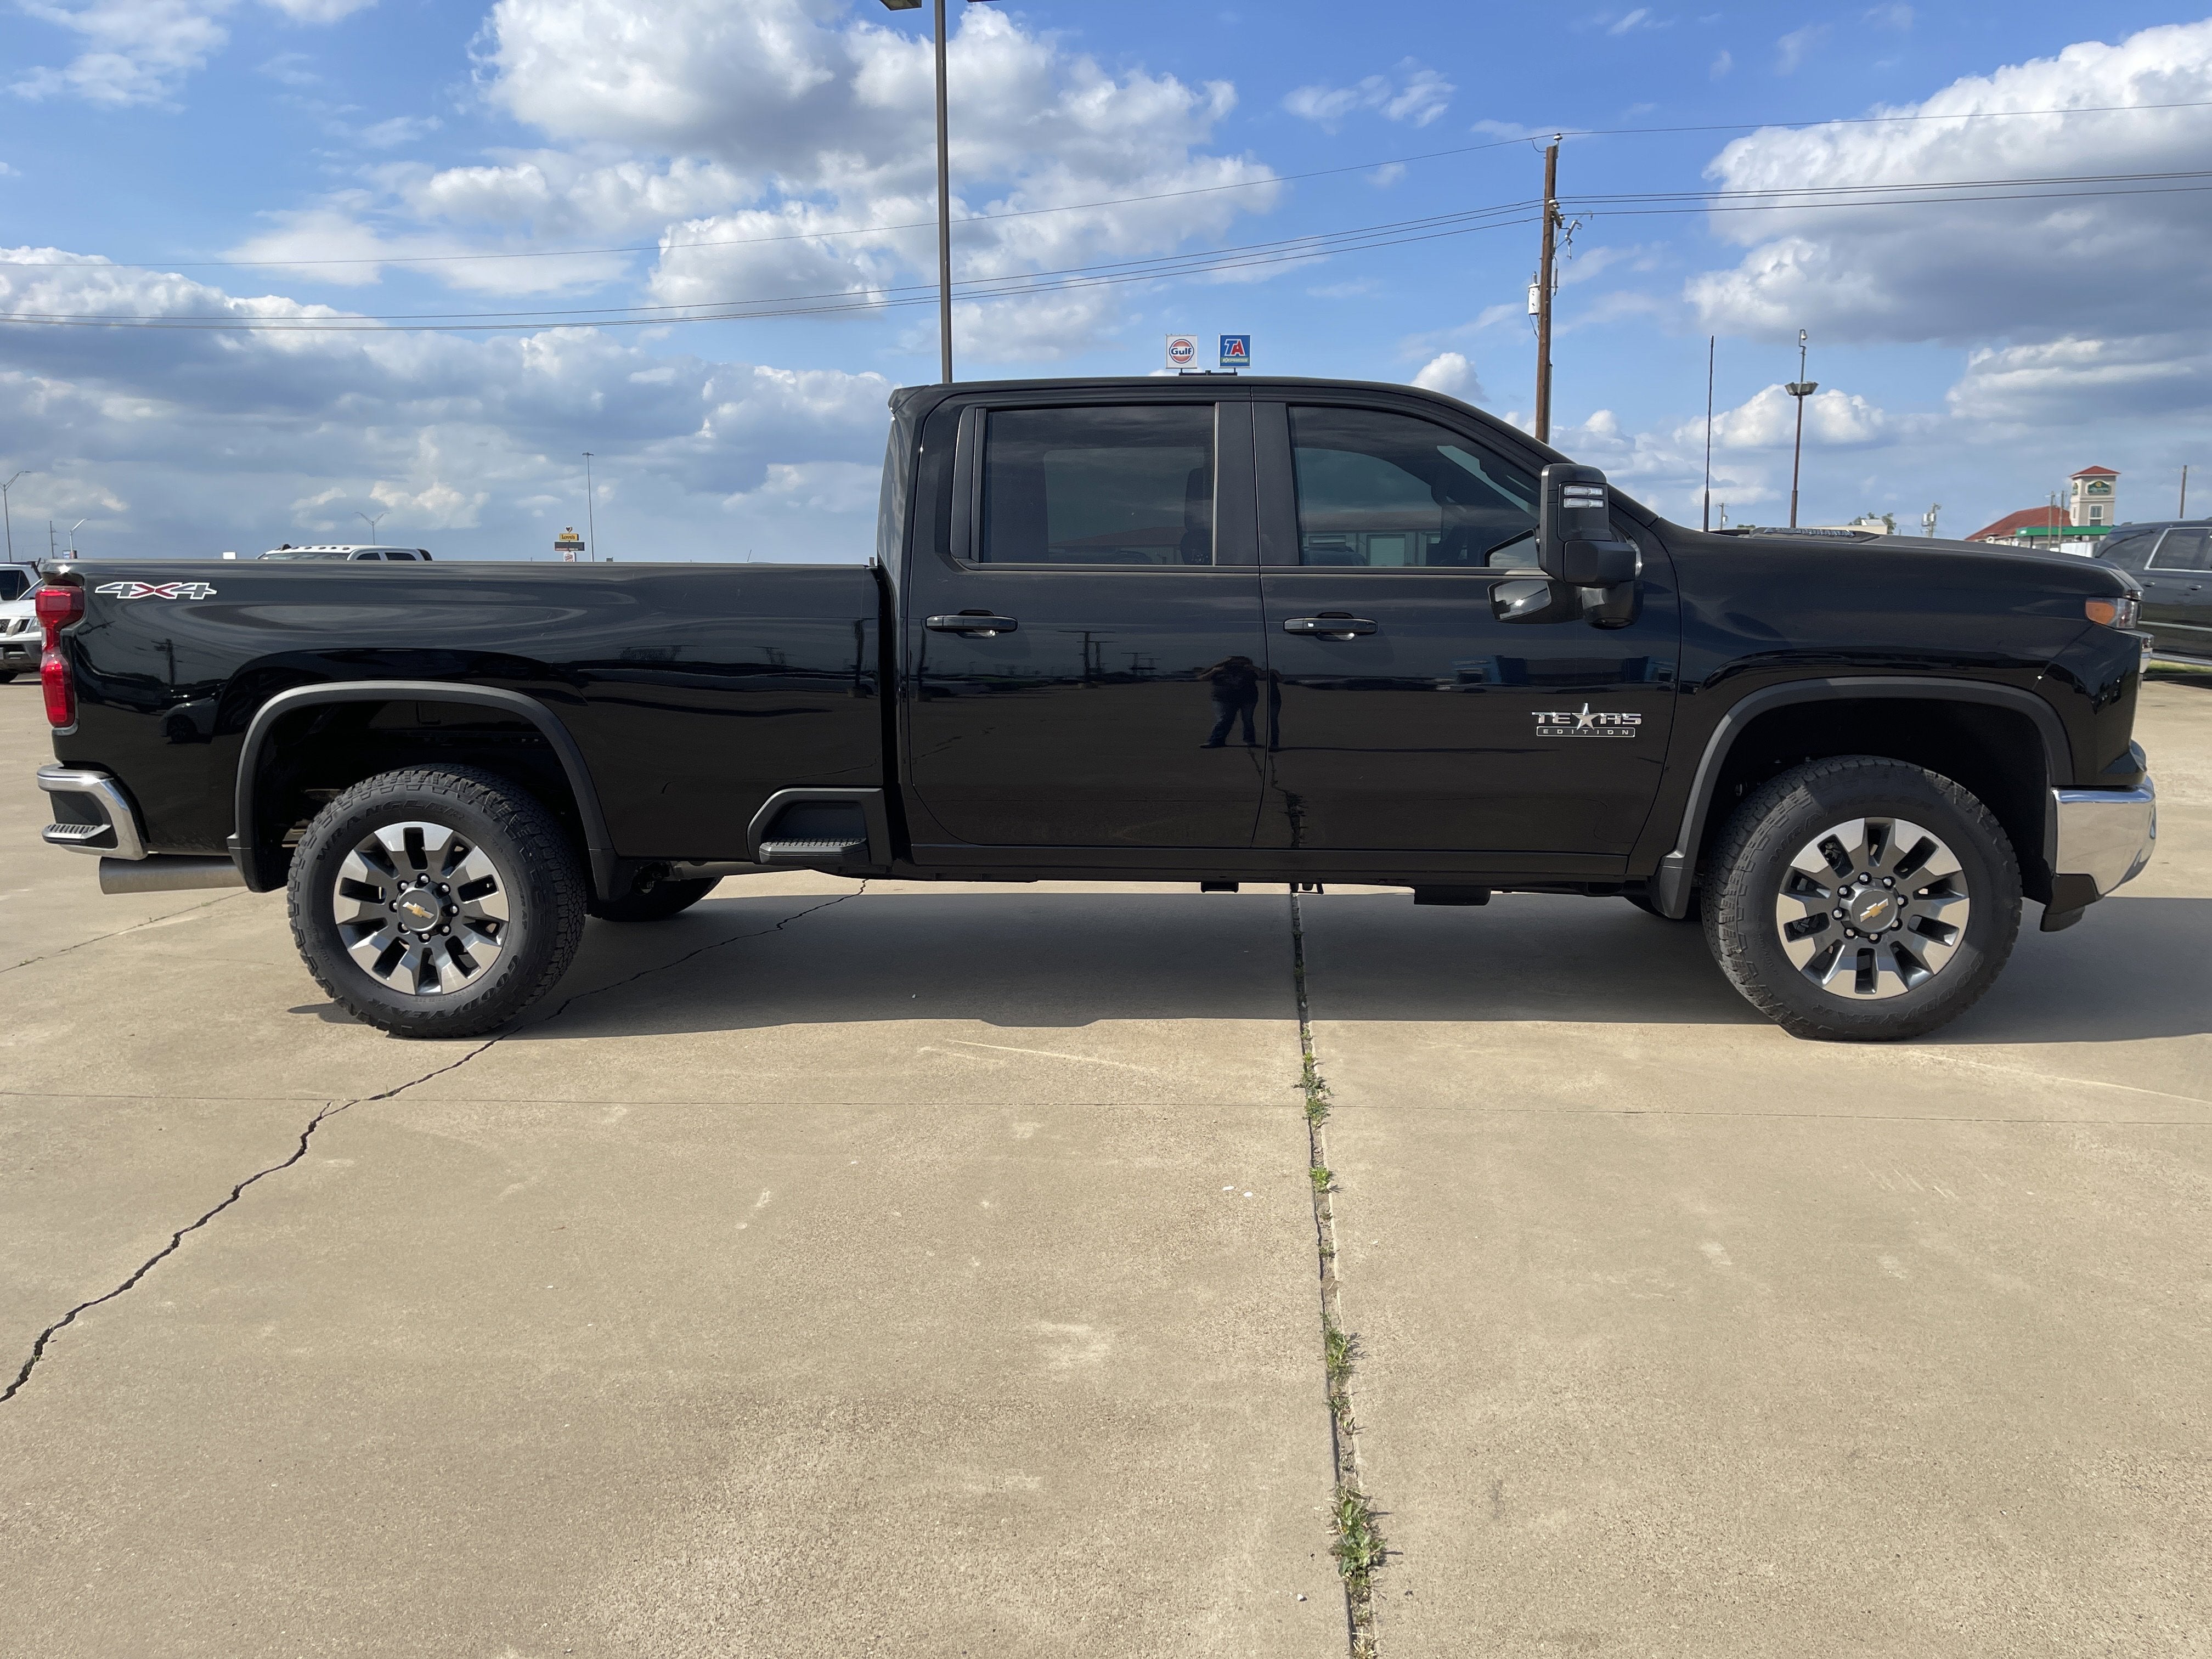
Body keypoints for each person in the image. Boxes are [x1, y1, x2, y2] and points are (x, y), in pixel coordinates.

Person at [1197, 654, 1260, 747]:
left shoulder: (1250, 671)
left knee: (1248, 720)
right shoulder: (1220, 669)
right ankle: (1216, 740)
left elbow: (1263, 676)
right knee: (1224, 719)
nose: (1237, 666)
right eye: (1234, 663)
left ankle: (1249, 740)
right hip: (1223, 698)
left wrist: (1253, 668)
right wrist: (1216, 669)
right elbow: (1201, 677)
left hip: (1247, 698)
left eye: (1241, 664)